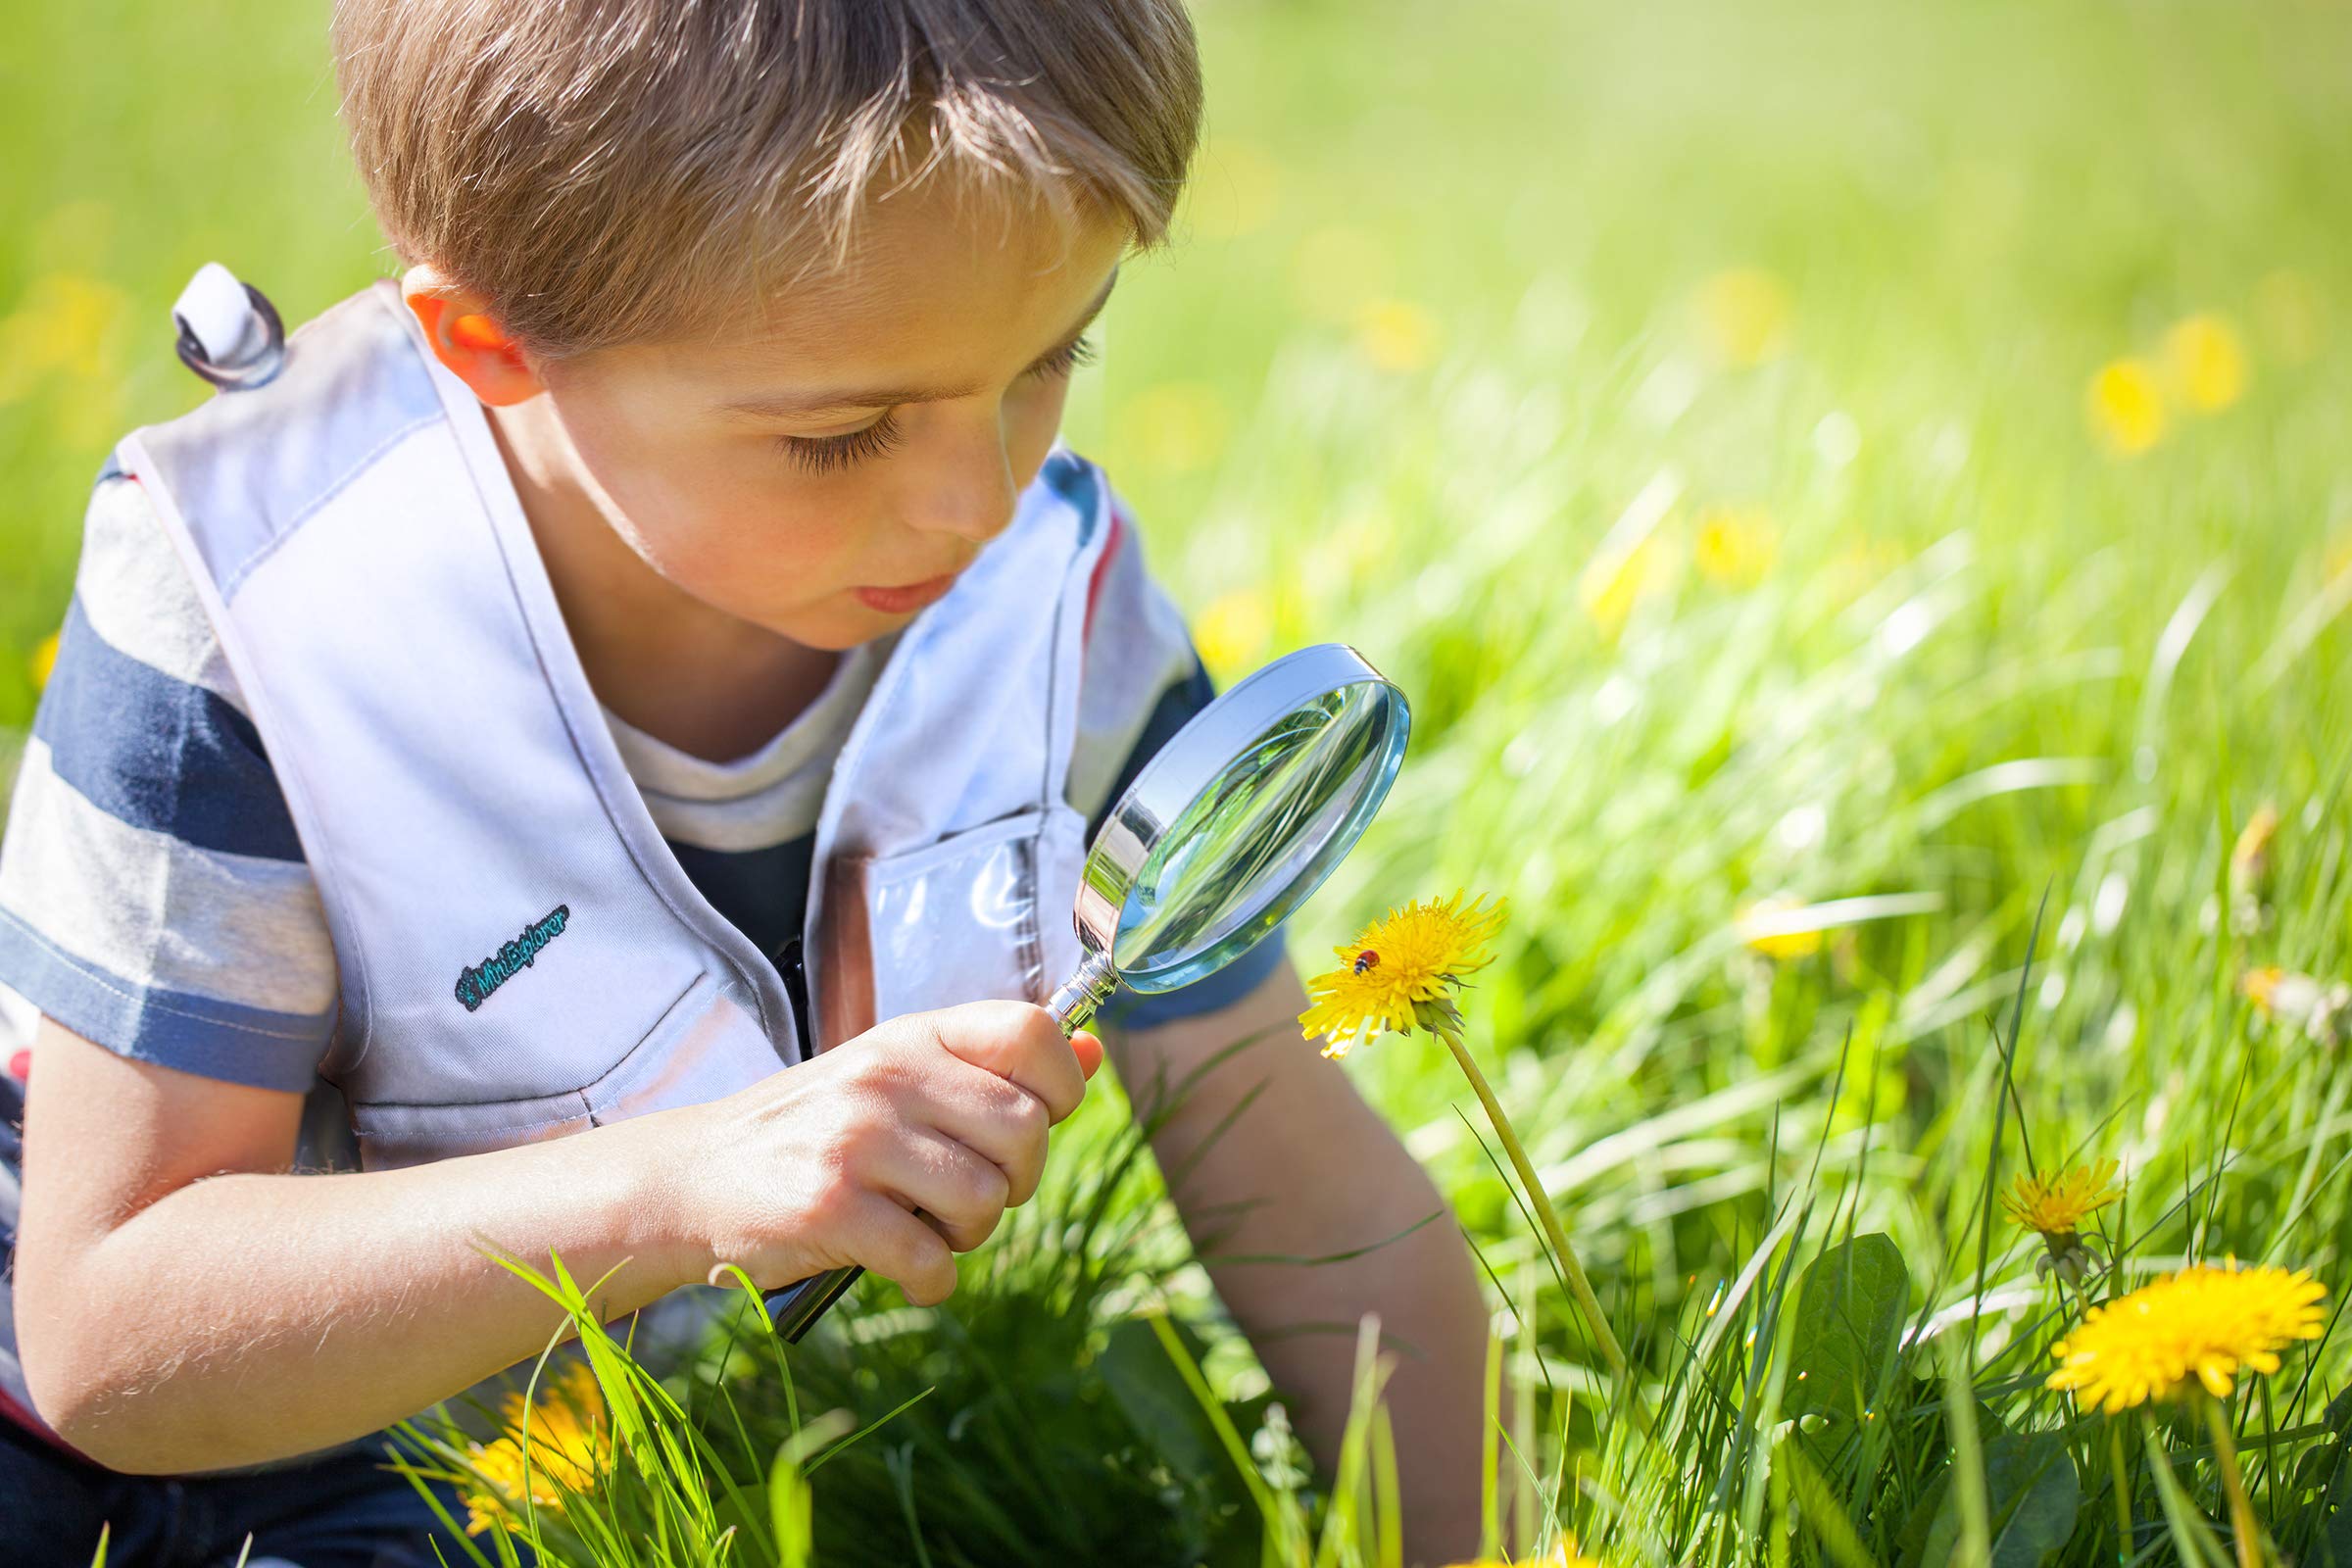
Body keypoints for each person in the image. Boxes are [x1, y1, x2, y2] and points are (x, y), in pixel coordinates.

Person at [0, 2, 1488, 1562]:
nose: (976, 502)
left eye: (1055, 356)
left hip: (545, 1478)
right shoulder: (263, 607)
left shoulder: (1047, 610)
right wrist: (684, 1185)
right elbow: (111, 1338)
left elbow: (1301, 1185)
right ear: (494, 344)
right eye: (841, 436)